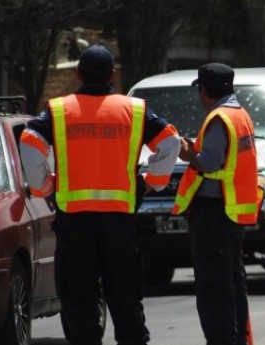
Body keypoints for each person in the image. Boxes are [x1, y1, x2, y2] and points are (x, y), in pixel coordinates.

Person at [20, 44, 180, 345]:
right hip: (119, 223)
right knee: (125, 297)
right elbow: (170, 141)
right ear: (113, 75)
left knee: (79, 300)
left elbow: (29, 142)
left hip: (75, 224)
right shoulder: (134, 109)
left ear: (79, 74)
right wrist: (152, 182)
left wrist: (44, 188)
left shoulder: (58, 110)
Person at [172, 63, 262, 345]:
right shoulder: (240, 115)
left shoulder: (219, 118)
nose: (199, 95)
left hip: (214, 213)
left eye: (199, 89)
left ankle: (222, 340)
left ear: (205, 89)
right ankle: (236, 337)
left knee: (214, 287)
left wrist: (188, 154)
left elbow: (210, 163)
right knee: (234, 283)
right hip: (232, 213)